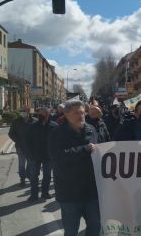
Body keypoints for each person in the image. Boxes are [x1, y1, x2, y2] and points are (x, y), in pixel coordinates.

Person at [48, 100, 100, 236]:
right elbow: (58, 158)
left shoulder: (91, 129)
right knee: (71, 231)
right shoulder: (57, 133)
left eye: (82, 112)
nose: (81, 115)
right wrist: (85, 149)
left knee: (96, 228)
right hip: (69, 194)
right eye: (76, 113)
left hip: (91, 192)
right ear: (66, 114)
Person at [26, 108, 57, 201]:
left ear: (48, 114)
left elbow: (58, 141)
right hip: (35, 156)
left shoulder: (54, 126)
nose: (41, 115)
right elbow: (28, 141)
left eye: (44, 113)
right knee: (34, 176)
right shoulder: (33, 126)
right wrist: (30, 154)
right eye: (40, 113)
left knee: (47, 176)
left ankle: (45, 193)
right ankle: (34, 195)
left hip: (48, 156)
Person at [8, 108, 37, 187]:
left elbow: (38, 132)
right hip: (20, 146)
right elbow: (11, 133)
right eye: (21, 111)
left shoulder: (34, 121)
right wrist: (17, 140)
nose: (22, 113)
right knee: (21, 164)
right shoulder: (16, 121)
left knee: (31, 163)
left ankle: (29, 175)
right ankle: (22, 179)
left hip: (31, 147)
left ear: (28, 112)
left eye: (24, 111)